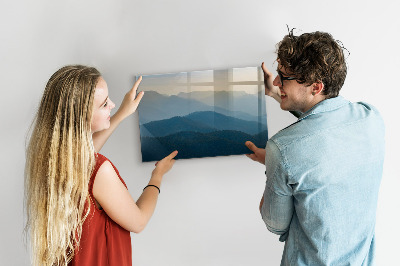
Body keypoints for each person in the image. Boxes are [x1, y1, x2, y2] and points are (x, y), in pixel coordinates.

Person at [245, 30, 385, 265]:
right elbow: (325, 124)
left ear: (316, 87)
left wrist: (273, 163)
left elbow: (275, 224)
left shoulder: (282, 149)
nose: (277, 81)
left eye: (284, 77)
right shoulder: (371, 118)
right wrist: (277, 94)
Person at [24, 65, 178, 266]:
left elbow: (86, 157)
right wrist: (157, 176)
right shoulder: (100, 170)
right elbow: (139, 221)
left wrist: (122, 113)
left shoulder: (53, 160)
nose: (113, 104)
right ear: (82, 117)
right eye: (105, 104)